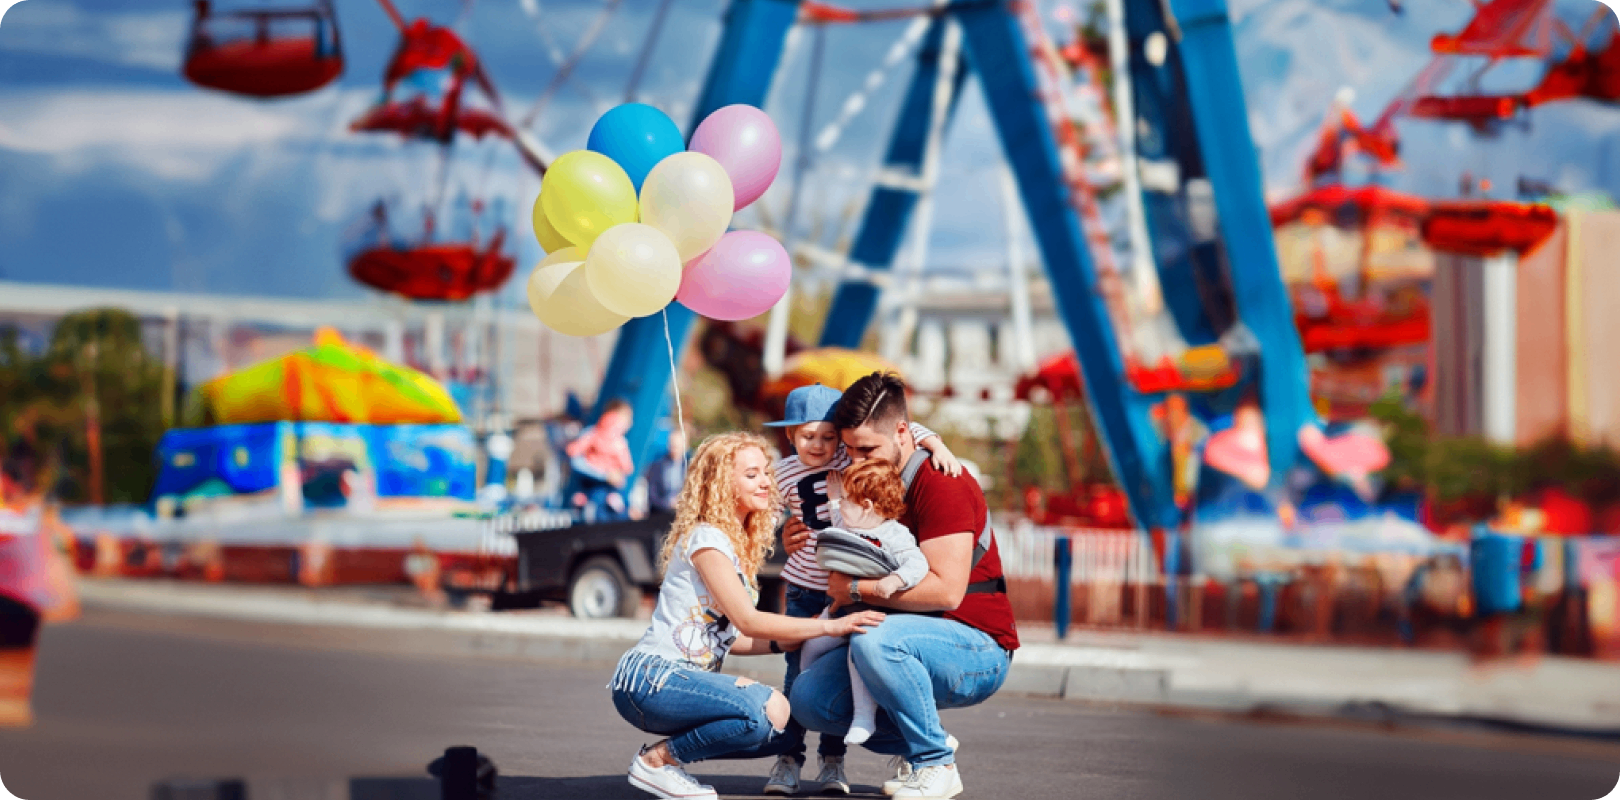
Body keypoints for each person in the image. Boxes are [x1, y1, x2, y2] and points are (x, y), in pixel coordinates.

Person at [608, 431, 886, 800]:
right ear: (723, 483)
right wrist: (830, 625)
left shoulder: (732, 542)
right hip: (652, 679)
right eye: (752, 475)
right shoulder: (707, 538)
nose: (766, 482)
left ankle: (666, 762)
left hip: (678, 683)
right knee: (764, 707)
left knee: (784, 731)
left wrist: (785, 639)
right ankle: (660, 762)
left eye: (766, 473)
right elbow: (748, 619)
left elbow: (729, 636)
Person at [785, 372, 1019, 800]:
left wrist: (856, 590)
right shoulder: (869, 474)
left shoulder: (941, 481)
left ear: (901, 432)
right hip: (904, 634)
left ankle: (934, 763)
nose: (854, 461)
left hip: (977, 645)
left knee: (877, 640)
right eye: (849, 448)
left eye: (867, 449)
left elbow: (947, 592)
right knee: (808, 698)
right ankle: (929, 742)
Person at [758, 383, 959, 796]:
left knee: (843, 678)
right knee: (797, 675)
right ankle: (788, 758)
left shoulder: (848, 459)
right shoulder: (782, 473)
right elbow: (760, 514)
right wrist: (784, 535)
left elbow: (898, 426)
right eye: (807, 435)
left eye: (828, 436)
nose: (818, 444)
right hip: (804, 587)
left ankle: (833, 762)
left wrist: (937, 444)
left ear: (840, 435)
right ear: (790, 435)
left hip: (848, 592)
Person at [797, 458, 928, 747]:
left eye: (846, 501)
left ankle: (864, 717)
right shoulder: (853, 523)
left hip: (868, 615)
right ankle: (804, 686)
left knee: (857, 655)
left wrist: (895, 580)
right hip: (838, 611)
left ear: (867, 506)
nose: (841, 506)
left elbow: (917, 562)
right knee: (811, 645)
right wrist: (834, 501)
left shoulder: (895, 534)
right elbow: (839, 524)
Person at [567, 399, 634, 519]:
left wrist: (618, 474)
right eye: (626, 419)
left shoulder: (620, 442)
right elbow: (574, 457)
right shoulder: (593, 433)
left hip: (611, 495)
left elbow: (626, 467)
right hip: (594, 492)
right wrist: (604, 475)